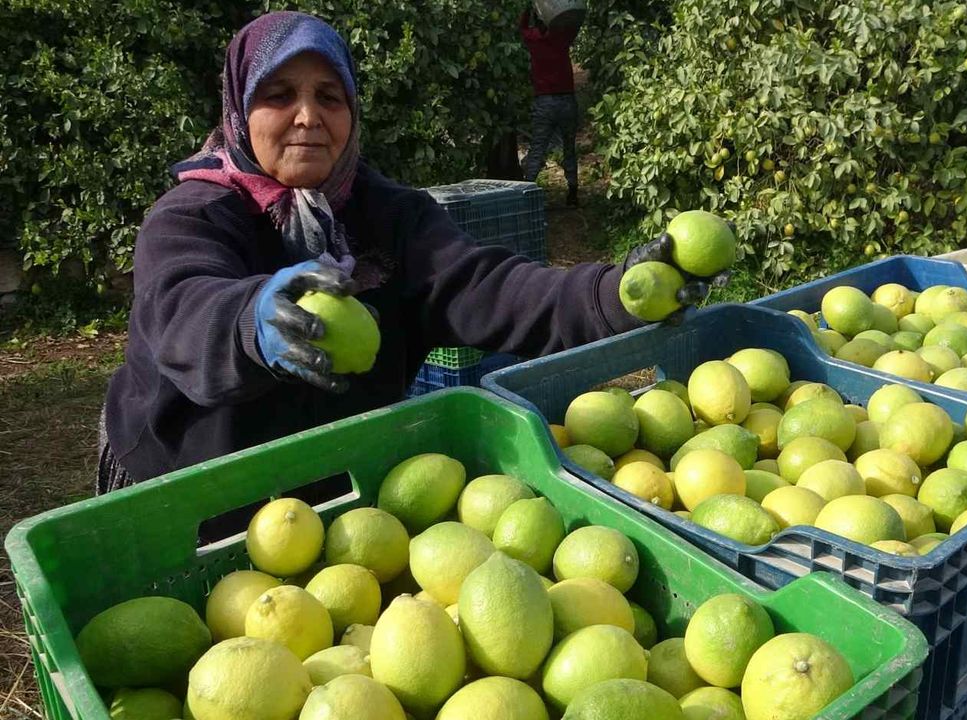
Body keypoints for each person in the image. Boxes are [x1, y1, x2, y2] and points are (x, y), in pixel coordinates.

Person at [98, 11, 719, 499]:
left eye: (330, 97)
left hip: (341, 491)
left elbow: (492, 289)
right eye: (280, 94)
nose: (308, 116)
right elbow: (181, 308)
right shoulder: (194, 215)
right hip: (191, 491)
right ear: (240, 106)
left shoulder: (388, 215)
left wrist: (617, 293)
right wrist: (252, 320)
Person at [519, 6, 581, 206]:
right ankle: (572, 192)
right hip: (566, 101)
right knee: (569, 147)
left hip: (544, 102)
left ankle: (526, 193)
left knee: (538, 147)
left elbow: (522, 26)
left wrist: (529, 7)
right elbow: (575, 21)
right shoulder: (561, 38)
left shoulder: (533, 40)